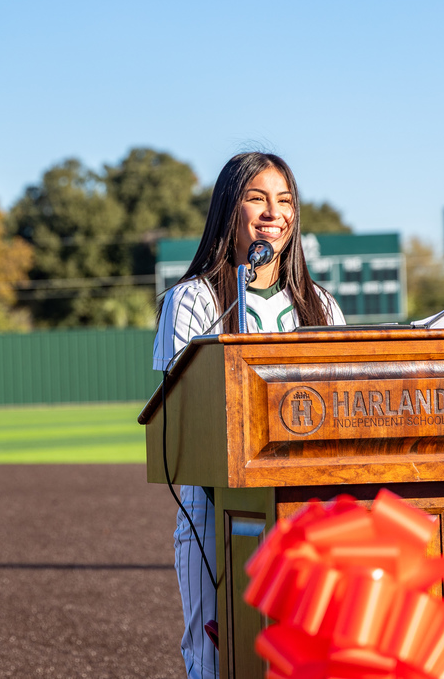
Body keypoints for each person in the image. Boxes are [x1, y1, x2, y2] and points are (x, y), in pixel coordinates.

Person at [152, 152, 345, 679]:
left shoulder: (321, 306)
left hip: (309, 514)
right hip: (213, 515)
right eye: (256, 198)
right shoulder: (192, 299)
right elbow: (182, 412)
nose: (273, 212)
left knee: (305, 658)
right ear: (227, 210)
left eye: (284, 200)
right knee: (216, 661)